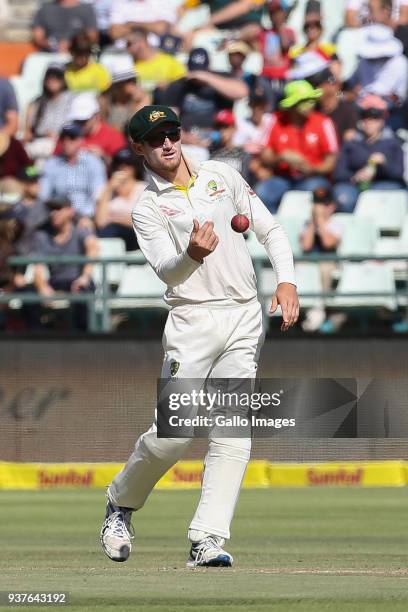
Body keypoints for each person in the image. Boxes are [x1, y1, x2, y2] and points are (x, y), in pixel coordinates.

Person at [99, 104, 298, 567]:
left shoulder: (221, 176)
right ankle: (119, 504)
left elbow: (269, 229)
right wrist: (191, 254)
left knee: (233, 431)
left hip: (244, 317)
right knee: (173, 435)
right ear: (139, 149)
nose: (167, 143)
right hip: (192, 322)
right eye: (155, 139)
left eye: (171, 132)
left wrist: (286, 280)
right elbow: (170, 273)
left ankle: (207, 538)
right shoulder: (147, 207)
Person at [254, 80, 338, 214]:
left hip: (313, 178)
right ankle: (273, 231)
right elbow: (265, 155)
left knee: (315, 189)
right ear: (292, 105)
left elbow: (331, 161)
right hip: (282, 177)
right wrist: (281, 157)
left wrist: (312, 168)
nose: (310, 104)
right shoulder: (274, 120)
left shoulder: (324, 122)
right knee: (263, 192)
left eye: (312, 99)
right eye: (304, 101)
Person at [30, 197, 99, 330]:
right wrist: (42, 287)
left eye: (58, 208)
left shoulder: (80, 230)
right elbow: (38, 267)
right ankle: (36, 340)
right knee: (28, 296)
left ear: (70, 211)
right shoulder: (42, 235)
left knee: (84, 293)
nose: (53, 213)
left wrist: (84, 277)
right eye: (50, 209)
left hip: (78, 282)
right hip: (55, 282)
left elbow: (93, 248)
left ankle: (83, 338)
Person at [157, 47, 248, 144]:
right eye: (195, 71)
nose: (197, 75)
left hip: (219, 137)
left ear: (208, 68)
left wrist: (206, 77)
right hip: (188, 139)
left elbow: (242, 92)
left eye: (201, 71)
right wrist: (184, 137)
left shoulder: (220, 78)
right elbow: (170, 119)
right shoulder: (179, 85)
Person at [333, 94, 405, 213]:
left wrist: (384, 163)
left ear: (382, 120)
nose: (370, 121)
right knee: (343, 197)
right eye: (365, 117)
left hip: (384, 184)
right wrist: (355, 176)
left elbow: (398, 174)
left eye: (375, 117)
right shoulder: (351, 143)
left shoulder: (393, 143)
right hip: (354, 185)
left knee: (379, 197)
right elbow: (338, 173)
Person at [39, 123, 107, 221]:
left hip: (85, 216)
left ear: (80, 140)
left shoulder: (93, 163)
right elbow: (44, 195)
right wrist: (55, 213)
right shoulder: (51, 164)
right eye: (63, 138)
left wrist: (84, 216)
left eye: (72, 138)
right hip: (57, 215)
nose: (66, 142)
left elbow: (98, 195)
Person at [300, 186, 343, 333]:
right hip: (311, 261)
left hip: (330, 262)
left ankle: (318, 311)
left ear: (332, 206)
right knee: (301, 267)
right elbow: (306, 246)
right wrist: (314, 222)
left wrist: (320, 220)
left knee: (324, 269)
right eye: (317, 204)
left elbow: (328, 242)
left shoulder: (336, 223)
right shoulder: (307, 224)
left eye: (324, 204)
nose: (321, 208)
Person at [290, 53, 359, 143]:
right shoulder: (310, 110)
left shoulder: (347, 110)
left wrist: (342, 95)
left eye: (314, 84)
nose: (311, 89)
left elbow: (346, 94)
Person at [95, 148, 145, 250]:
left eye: (128, 164)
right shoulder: (105, 190)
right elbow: (101, 222)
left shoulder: (144, 189)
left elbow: (145, 222)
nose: (122, 167)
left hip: (138, 236)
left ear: (134, 167)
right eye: (118, 164)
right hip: (112, 237)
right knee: (110, 231)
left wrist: (115, 219)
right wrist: (109, 189)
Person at [24, 64, 74, 163]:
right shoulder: (37, 102)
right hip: (38, 141)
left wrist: (59, 135)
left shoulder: (71, 100)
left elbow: (73, 126)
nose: (52, 81)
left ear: (63, 81)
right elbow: (28, 131)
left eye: (56, 78)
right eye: (49, 77)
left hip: (60, 142)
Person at [65, 92, 127, 160]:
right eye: (76, 120)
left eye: (84, 120)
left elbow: (123, 166)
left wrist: (103, 157)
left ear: (96, 116)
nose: (80, 124)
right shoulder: (67, 136)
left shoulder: (114, 137)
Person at [126, 27, 186, 93]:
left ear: (142, 43)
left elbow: (183, 82)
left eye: (129, 44)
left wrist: (169, 86)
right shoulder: (128, 66)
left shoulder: (168, 61)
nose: (127, 49)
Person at [99, 56, 150, 132]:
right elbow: (102, 123)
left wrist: (137, 102)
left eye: (133, 80)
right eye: (130, 80)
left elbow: (137, 126)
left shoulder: (141, 97)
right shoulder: (105, 97)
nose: (133, 83)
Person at [31, 0, 98, 53]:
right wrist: (54, 46)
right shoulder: (45, 8)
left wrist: (71, 45)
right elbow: (38, 38)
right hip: (49, 53)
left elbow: (92, 37)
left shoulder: (86, 9)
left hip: (77, 54)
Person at [109, 0, 180, 42]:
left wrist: (131, 25)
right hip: (123, 53)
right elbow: (115, 33)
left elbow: (161, 29)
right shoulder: (119, 2)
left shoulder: (162, 2)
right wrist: (149, 27)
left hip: (156, 53)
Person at [210, 109, 251, 181]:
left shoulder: (243, 154)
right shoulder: (211, 151)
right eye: (218, 127)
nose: (221, 131)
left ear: (234, 128)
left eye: (225, 127)